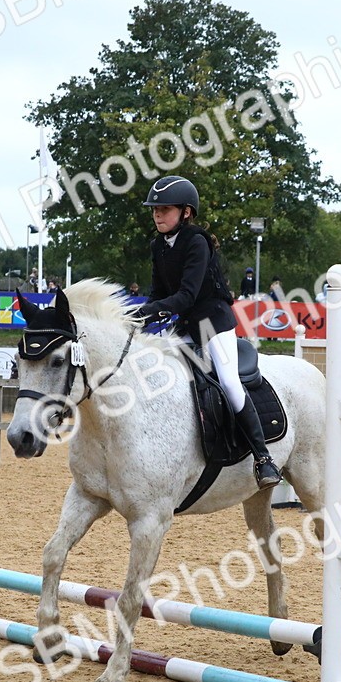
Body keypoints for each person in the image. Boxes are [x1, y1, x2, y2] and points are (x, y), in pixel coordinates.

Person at [136, 175, 281, 489]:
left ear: (186, 212)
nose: (157, 214)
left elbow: (187, 295)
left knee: (228, 382)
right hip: (185, 324)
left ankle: (263, 457)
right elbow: (158, 292)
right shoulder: (157, 245)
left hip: (213, 320)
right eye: (155, 209)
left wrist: (149, 311)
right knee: (153, 372)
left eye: (165, 209)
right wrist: (136, 318)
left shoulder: (196, 241)